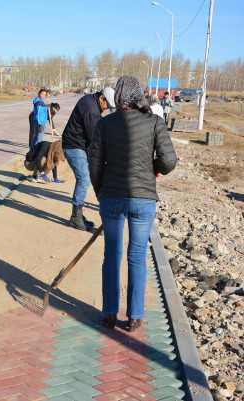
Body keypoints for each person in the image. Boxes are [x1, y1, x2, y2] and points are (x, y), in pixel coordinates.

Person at [89, 76, 177, 332]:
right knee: (137, 255)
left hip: (112, 197)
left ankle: (109, 314)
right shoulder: (155, 122)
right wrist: (154, 170)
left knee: (112, 255)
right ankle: (135, 316)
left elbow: (94, 163)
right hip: (143, 199)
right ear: (139, 95)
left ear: (118, 96)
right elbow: (169, 160)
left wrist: (100, 192)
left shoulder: (105, 124)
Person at [62, 86, 116, 231]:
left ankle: (78, 214)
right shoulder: (91, 110)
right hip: (73, 146)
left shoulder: (92, 102)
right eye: (107, 106)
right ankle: (75, 216)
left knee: (88, 177)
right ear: (102, 98)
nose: (106, 109)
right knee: (84, 178)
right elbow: (95, 140)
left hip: (80, 144)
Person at [28, 103, 63, 183]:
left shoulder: (53, 150)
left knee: (51, 160)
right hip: (30, 162)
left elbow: (54, 163)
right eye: (54, 110)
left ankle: (40, 175)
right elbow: (37, 159)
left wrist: (55, 178)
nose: (55, 112)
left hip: (37, 161)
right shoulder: (46, 146)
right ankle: (36, 176)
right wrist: (43, 174)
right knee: (43, 159)